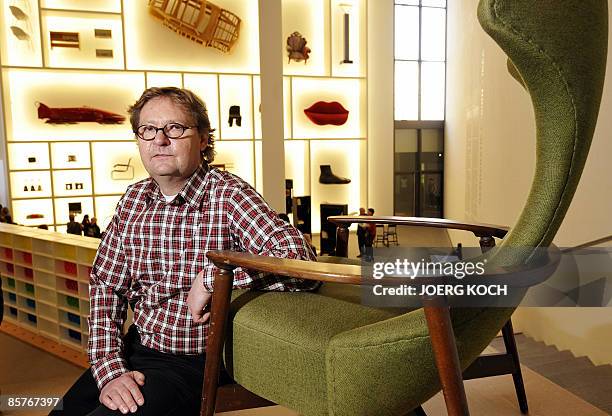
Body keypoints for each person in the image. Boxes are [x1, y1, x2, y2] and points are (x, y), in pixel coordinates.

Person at [51, 87, 317, 416]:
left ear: (203, 139)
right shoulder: (133, 200)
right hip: (135, 349)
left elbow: (299, 261)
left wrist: (214, 277)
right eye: (148, 129)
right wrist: (111, 371)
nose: (160, 140)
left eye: (175, 128)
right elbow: (107, 287)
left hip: (192, 363)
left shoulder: (227, 195)